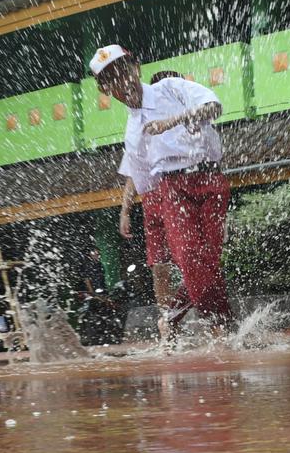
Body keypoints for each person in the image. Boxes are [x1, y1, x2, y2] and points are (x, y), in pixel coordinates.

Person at [93, 45, 231, 336]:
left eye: (125, 72)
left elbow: (215, 107)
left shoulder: (171, 88)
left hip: (211, 179)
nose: (123, 82)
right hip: (171, 190)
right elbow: (139, 177)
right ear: (106, 90)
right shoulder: (131, 132)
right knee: (189, 256)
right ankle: (220, 325)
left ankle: (172, 320)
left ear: (137, 67)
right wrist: (129, 210)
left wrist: (174, 120)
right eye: (113, 80)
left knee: (207, 261)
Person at [119, 70, 181, 326]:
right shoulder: (139, 125)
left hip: (177, 195)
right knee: (159, 266)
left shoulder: (181, 119)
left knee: (190, 260)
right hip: (152, 201)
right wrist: (124, 211)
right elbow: (132, 171)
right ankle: (167, 320)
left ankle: (189, 313)